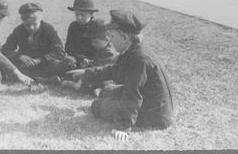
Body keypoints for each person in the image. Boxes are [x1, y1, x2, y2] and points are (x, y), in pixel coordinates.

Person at [67, 10, 174, 141]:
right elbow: (115, 70)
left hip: (153, 114)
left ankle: (112, 111)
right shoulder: (133, 49)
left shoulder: (139, 59)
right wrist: (86, 73)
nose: (110, 41)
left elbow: (133, 94)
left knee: (96, 106)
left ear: (124, 37)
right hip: (150, 101)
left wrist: (123, 127)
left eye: (112, 36)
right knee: (106, 91)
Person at [1, 3, 75, 84]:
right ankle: (45, 79)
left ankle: (32, 78)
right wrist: (20, 56)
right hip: (26, 65)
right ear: (23, 21)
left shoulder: (48, 29)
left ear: (40, 19)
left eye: (34, 24)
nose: (31, 28)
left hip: (46, 64)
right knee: (5, 62)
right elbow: (5, 49)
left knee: (69, 62)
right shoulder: (18, 30)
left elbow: (60, 52)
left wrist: (39, 60)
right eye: (27, 25)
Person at [61, 20, 118, 92]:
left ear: (107, 38)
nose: (92, 44)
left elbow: (100, 70)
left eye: (95, 41)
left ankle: (73, 85)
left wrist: (84, 71)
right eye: (92, 41)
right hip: (98, 75)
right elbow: (97, 63)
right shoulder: (102, 49)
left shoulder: (109, 53)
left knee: (81, 83)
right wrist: (89, 63)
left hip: (104, 78)